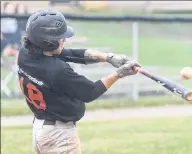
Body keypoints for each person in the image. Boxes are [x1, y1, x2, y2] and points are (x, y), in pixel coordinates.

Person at [17, 10, 141, 154]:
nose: (64, 40)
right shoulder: (57, 71)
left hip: (42, 128)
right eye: (60, 37)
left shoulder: (26, 53)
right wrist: (119, 74)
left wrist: (108, 57)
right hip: (59, 135)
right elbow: (90, 92)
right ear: (48, 42)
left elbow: (71, 54)